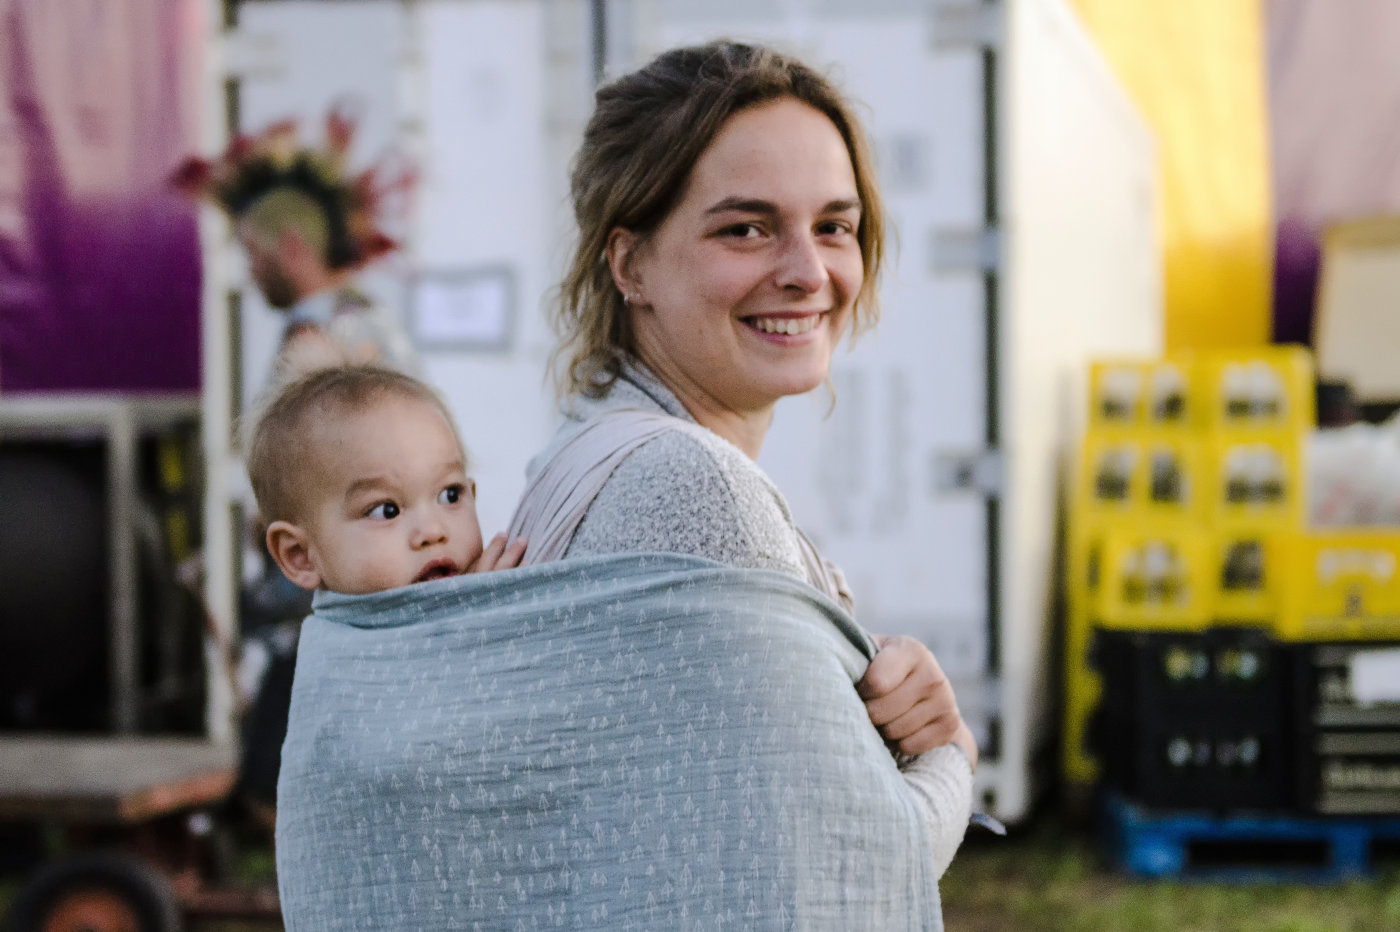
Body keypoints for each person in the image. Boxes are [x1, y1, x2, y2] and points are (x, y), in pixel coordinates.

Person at [508, 39, 976, 876]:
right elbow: (855, 863)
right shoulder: (693, 489)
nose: (808, 272)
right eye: (747, 228)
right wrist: (951, 758)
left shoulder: (587, 451)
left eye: (834, 226)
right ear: (631, 263)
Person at [172, 107, 418, 380]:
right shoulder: (344, 325)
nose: (250, 273)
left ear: (292, 246)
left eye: (252, 252)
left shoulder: (353, 336)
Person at [245, 363, 526, 595]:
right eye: (386, 510)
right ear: (301, 556)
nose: (432, 532)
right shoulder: (341, 650)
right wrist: (485, 610)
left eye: (450, 494)